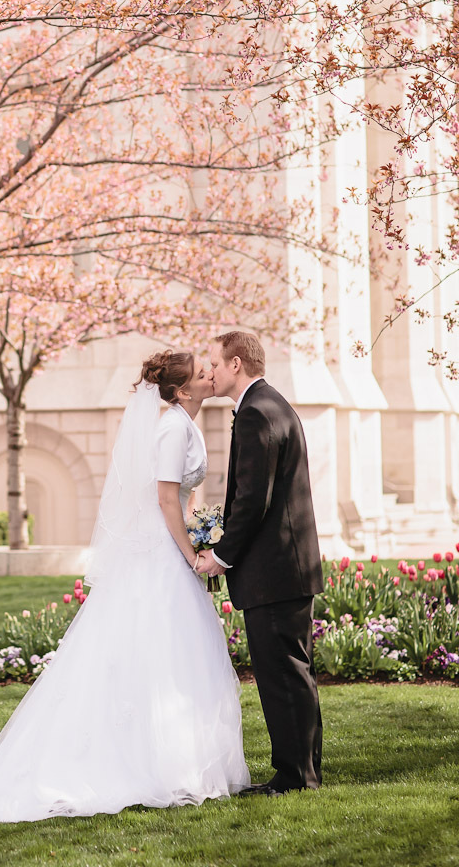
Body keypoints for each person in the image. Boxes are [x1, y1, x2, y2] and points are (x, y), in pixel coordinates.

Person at [0, 349, 250, 823]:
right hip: (163, 555)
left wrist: (201, 529)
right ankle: (149, 765)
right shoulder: (171, 427)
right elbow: (164, 498)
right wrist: (191, 553)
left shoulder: (186, 423)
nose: (212, 373)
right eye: (204, 371)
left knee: (172, 654)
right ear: (183, 390)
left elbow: (182, 494)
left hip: (170, 548)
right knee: (159, 651)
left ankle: (178, 756)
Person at [196, 330, 324, 796]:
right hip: (286, 567)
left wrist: (221, 556)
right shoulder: (271, 404)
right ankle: (303, 771)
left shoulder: (254, 412)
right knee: (293, 673)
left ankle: (296, 777)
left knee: (283, 675)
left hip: (275, 571)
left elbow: (253, 499)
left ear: (236, 364)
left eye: (214, 361)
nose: (209, 370)